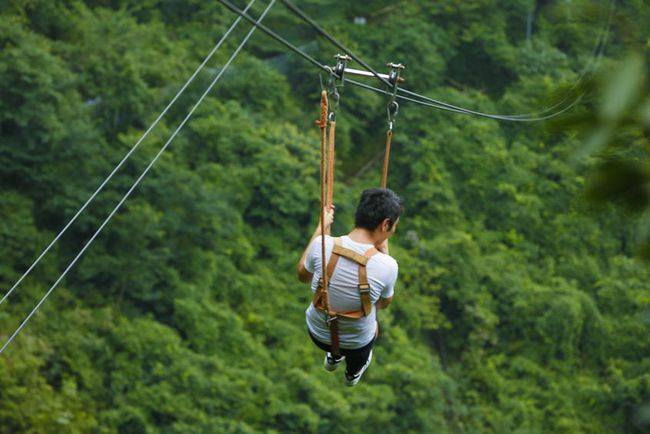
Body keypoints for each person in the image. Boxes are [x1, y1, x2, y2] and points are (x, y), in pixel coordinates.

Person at [297, 188, 402, 386]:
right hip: (356, 344)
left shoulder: (323, 245)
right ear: (385, 224)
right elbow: (383, 304)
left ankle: (334, 357)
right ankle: (353, 372)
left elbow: (303, 275)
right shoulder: (388, 265)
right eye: (394, 226)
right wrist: (384, 253)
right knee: (373, 325)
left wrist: (321, 227)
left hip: (317, 333)